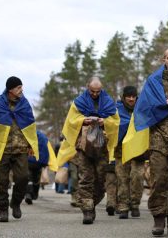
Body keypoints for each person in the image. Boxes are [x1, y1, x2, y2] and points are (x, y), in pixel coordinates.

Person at [122, 47, 168, 236]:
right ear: (164, 60)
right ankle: (159, 219)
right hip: (158, 137)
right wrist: (163, 104)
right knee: (159, 179)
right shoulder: (153, 81)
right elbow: (143, 108)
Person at [57, 77, 119, 224]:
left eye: (98, 91)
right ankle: (87, 210)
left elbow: (116, 121)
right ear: (87, 88)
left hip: (103, 147)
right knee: (85, 178)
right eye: (92, 91)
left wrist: (106, 122)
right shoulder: (78, 102)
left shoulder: (109, 102)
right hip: (83, 146)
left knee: (100, 179)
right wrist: (82, 120)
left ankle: (91, 202)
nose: (95, 94)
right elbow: (70, 120)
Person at [0, 76, 39, 222]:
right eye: (18, 88)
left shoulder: (24, 104)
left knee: (23, 178)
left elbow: (30, 124)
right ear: (10, 90)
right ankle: (3, 210)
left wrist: (31, 145)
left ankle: (15, 203)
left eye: (21, 87)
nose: (21, 90)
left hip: (20, 149)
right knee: (2, 182)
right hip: (2, 149)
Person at [112, 85, 145, 219]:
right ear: (123, 97)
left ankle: (135, 204)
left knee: (138, 176)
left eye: (133, 96)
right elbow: (112, 126)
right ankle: (123, 206)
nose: (131, 99)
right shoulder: (116, 110)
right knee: (122, 178)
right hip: (121, 150)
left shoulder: (142, 108)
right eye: (128, 97)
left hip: (138, 149)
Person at [25, 130, 58, 205]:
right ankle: (34, 194)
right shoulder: (43, 137)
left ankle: (28, 194)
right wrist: (45, 162)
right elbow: (47, 150)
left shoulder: (27, 134)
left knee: (29, 177)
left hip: (29, 160)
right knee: (36, 178)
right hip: (39, 161)